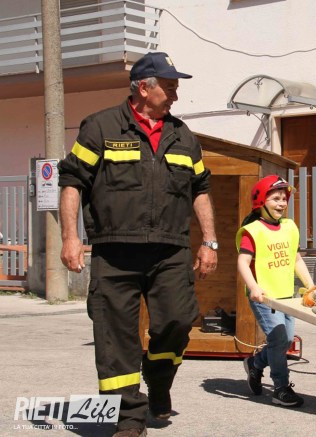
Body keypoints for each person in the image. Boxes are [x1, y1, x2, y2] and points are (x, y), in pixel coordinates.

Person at [58, 52, 217, 437]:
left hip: (170, 251)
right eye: (170, 86)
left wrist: (210, 241)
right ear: (144, 88)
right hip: (115, 251)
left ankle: (159, 381)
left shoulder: (184, 136)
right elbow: (73, 181)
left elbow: (200, 189)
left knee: (179, 320)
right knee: (115, 338)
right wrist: (69, 237)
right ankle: (128, 420)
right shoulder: (100, 127)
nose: (176, 94)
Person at [237, 175, 314, 407]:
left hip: (286, 296)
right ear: (261, 201)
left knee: (285, 340)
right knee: (279, 339)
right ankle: (281, 387)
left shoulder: (289, 227)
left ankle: (255, 364)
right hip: (265, 298)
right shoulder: (253, 231)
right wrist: (254, 287)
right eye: (276, 198)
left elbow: (296, 259)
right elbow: (243, 262)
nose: (281, 203)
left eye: (283, 199)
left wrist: (311, 286)